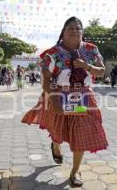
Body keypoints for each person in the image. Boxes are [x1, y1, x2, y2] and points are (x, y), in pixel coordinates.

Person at [21, 17, 108, 187]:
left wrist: (86, 66)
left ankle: (75, 171)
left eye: (78, 28)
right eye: (71, 28)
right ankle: (55, 145)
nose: (75, 31)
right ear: (64, 31)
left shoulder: (91, 49)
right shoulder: (52, 53)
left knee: (80, 134)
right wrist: (53, 99)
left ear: (82, 32)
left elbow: (102, 72)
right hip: (57, 93)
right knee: (57, 129)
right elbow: (45, 80)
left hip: (82, 96)